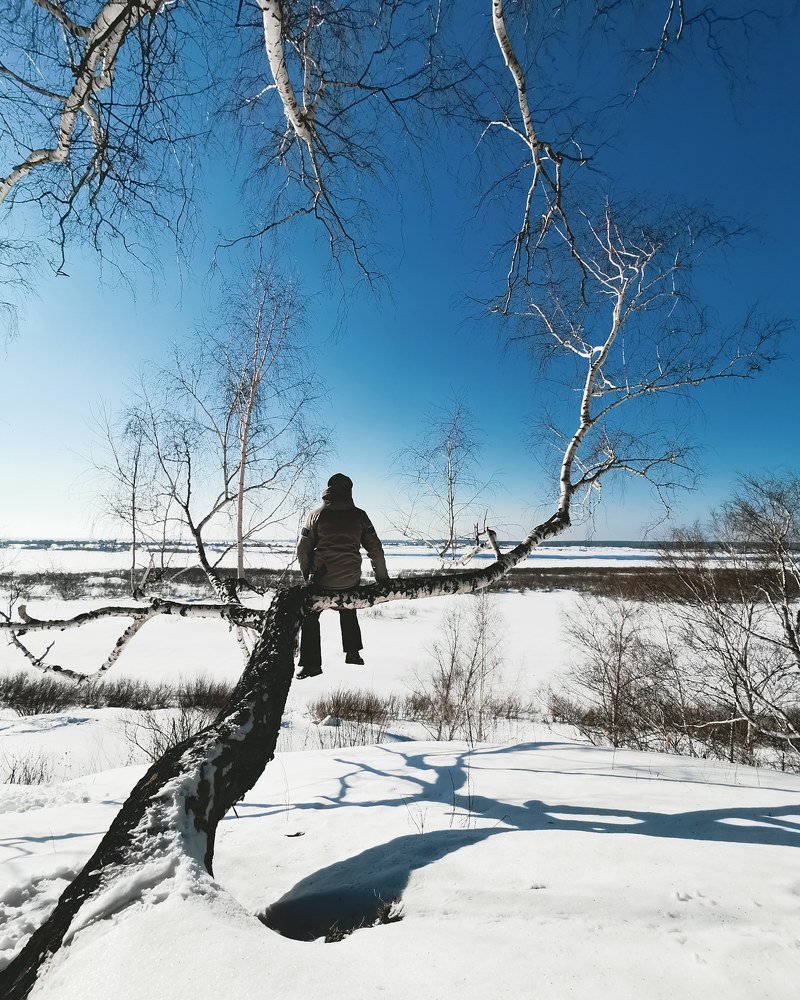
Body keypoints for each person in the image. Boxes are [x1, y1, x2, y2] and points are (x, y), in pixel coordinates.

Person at [295, 473, 390, 679]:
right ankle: (353, 652)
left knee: (310, 615)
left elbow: (302, 550)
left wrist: (307, 576)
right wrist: (382, 578)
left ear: (329, 490)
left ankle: (311, 665)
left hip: (321, 581)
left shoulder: (315, 515)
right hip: (350, 579)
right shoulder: (360, 516)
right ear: (349, 491)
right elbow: (375, 548)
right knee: (349, 605)